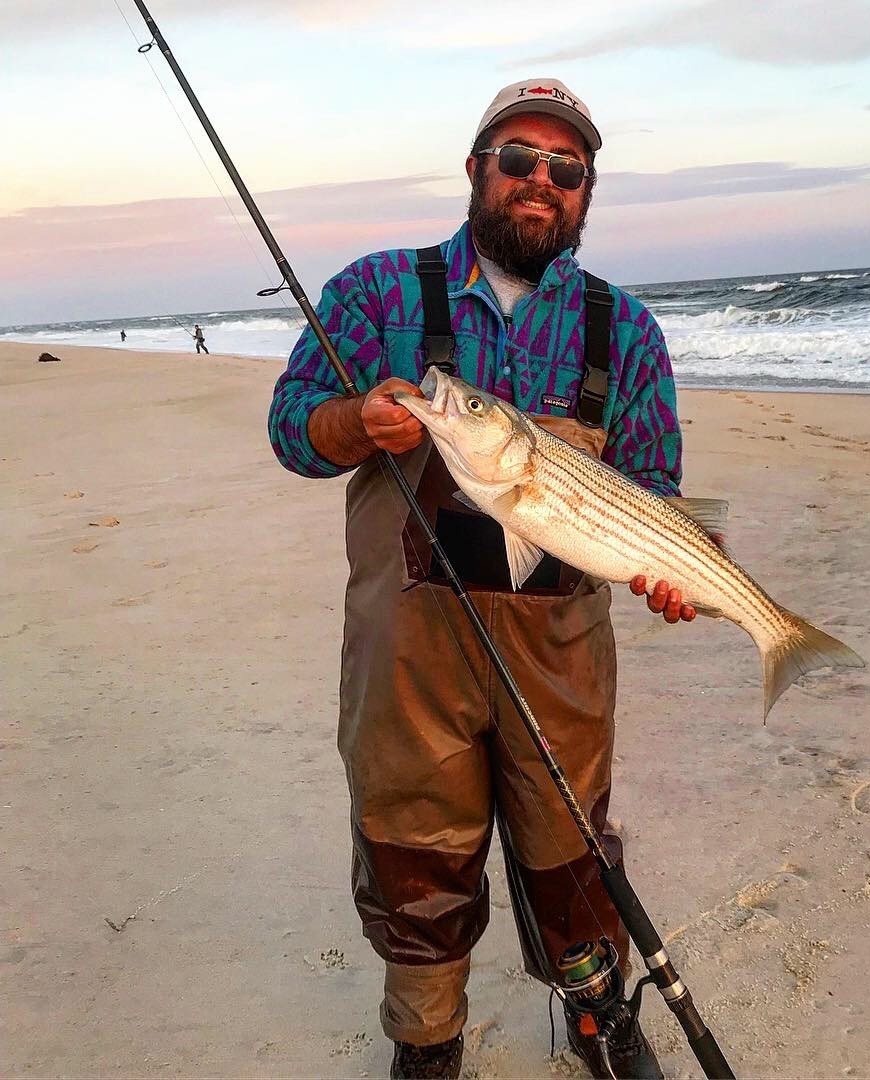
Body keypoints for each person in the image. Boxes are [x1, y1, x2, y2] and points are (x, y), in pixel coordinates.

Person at [269, 78, 694, 1080]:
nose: (540, 182)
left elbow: (654, 489)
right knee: (415, 854)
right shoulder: (377, 294)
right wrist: (347, 422)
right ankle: (427, 1038)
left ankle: (597, 1012)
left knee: (570, 852)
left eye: (566, 168)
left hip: (559, 661)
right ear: (477, 170)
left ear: (586, 193)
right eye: (519, 159)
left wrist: (664, 570)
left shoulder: (622, 332)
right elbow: (293, 428)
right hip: (408, 660)